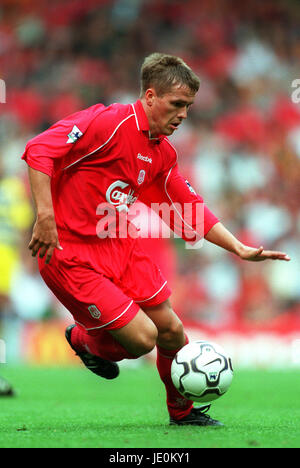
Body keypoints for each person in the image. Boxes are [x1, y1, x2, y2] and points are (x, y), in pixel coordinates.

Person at [22, 53, 290, 426]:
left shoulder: (162, 153)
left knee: (172, 330)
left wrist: (238, 248)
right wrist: (45, 217)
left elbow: (189, 207)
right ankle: (84, 340)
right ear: (150, 97)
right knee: (142, 340)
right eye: (176, 104)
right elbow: (39, 150)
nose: (183, 114)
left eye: (189, 106)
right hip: (70, 252)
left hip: (120, 245)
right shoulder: (108, 122)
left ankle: (182, 412)